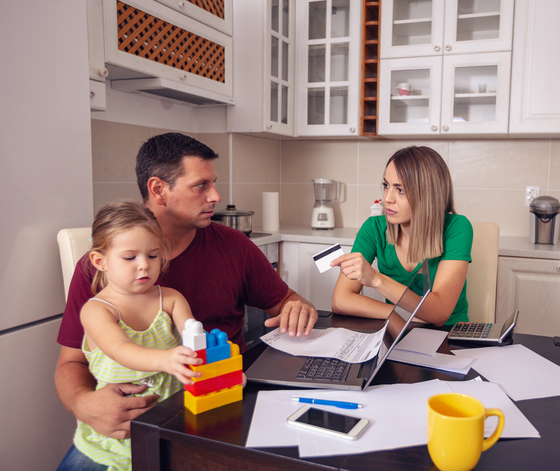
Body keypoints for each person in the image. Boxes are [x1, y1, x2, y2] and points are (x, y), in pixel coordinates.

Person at [55, 133, 317, 467]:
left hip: (219, 405)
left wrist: (297, 307)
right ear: (158, 189)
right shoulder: (98, 274)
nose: (216, 196)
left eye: (214, 183)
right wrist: (82, 403)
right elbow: (71, 362)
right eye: (201, 185)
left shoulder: (234, 246)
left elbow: (287, 301)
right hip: (128, 424)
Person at [71, 201, 205, 470]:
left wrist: (221, 371)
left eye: (153, 256)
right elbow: (120, 349)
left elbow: (196, 338)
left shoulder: (170, 299)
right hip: (117, 437)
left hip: (170, 426)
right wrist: (166, 360)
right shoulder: (96, 310)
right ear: (100, 261)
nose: (144, 265)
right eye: (130, 257)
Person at [331, 145, 472, 327]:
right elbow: (340, 300)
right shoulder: (373, 228)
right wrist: (394, 314)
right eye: (386, 185)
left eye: (401, 190)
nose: (387, 198)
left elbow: (439, 313)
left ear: (428, 195)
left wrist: (375, 279)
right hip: (398, 329)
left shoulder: (457, 228)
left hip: (447, 335)